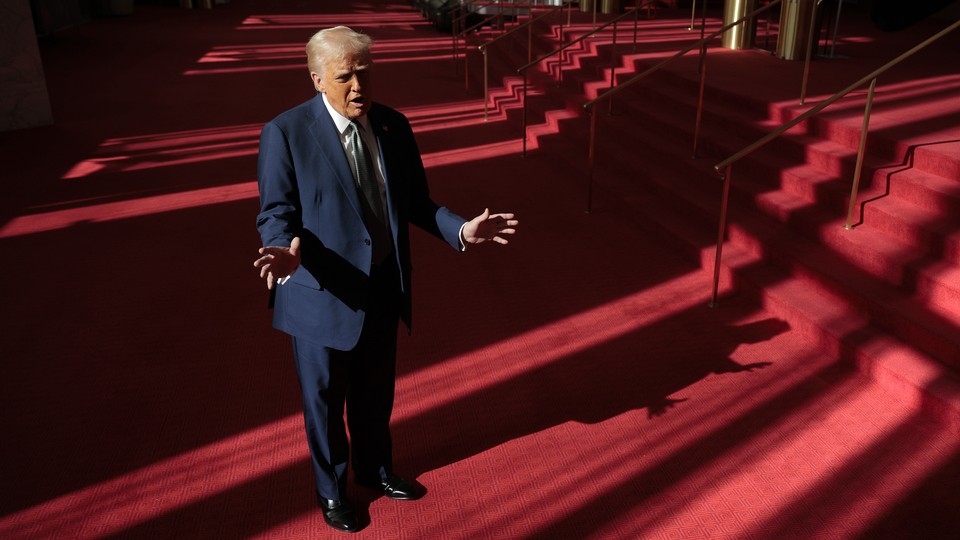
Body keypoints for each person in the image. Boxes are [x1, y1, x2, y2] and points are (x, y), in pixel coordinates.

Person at [253, 26, 518, 533]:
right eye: (345, 76)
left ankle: (374, 470)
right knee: (326, 406)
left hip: (382, 285)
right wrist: (283, 252)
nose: (358, 86)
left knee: (375, 394)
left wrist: (461, 229)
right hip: (321, 293)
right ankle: (332, 493)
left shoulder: (393, 125)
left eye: (365, 73)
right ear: (317, 80)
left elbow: (416, 202)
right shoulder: (285, 133)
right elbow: (276, 210)